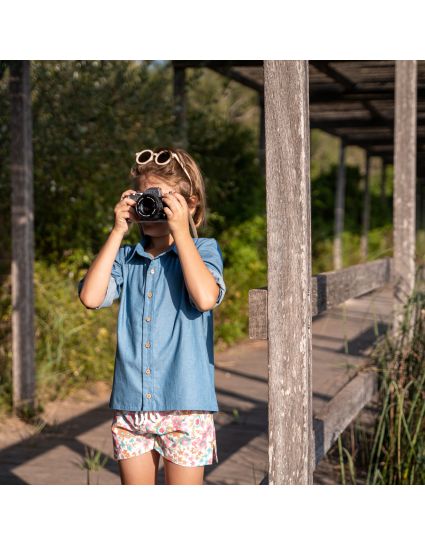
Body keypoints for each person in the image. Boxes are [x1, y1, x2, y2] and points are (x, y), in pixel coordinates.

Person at [78, 146, 226, 485]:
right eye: (145, 199)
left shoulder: (204, 250)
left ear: (191, 205)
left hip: (186, 405)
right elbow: (90, 297)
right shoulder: (127, 258)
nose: (153, 208)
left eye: (162, 199)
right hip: (132, 406)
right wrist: (118, 231)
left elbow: (205, 298)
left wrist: (182, 232)